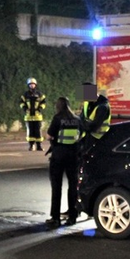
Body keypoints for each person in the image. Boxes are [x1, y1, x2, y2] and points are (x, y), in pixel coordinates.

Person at [45, 97, 82, 228]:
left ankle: (55, 218)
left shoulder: (57, 118)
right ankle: (73, 216)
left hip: (59, 156)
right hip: (74, 156)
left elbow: (49, 136)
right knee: (73, 186)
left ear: (58, 106)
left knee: (56, 187)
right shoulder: (77, 119)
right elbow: (81, 136)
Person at [80, 83, 111, 153]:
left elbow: (94, 126)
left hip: (99, 140)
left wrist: (83, 125)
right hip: (88, 138)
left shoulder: (103, 107)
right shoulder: (87, 103)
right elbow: (81, 118)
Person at [20, 77, 46, 151]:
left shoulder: (39, 94)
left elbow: (43, 102)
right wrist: (24, 108)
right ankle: (31, 146)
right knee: (30, 132)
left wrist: (40, 108)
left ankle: (39, 146)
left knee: (38, 131)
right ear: (28, 85)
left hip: (37, 116)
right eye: (30, 84)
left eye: (33, 84)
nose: (32, 86)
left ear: (35, 85)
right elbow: (21, 103)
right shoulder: (25, 94)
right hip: (28, 117)